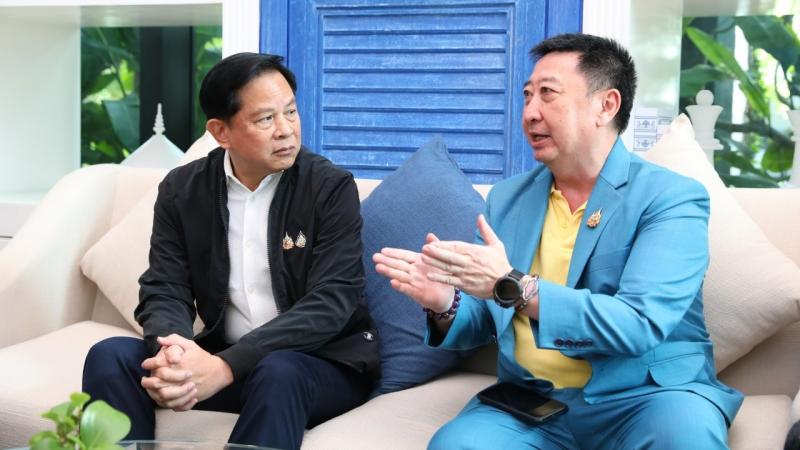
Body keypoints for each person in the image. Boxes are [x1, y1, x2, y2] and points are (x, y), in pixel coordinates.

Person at [373, 33, 743, 449]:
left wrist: (514, 286)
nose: (530, 112)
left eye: (548, 94)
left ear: (607, 105)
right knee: (456, 445)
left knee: (684, 439)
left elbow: (640, 323)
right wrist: (445, 302)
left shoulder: (670, 197)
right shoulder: (507, 199)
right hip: (533, 403)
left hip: (646, 399)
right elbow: (488, 314)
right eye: (527, 96)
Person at [82, 52, 379, 450]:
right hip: (226, 360)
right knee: (110, 356)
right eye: (266, 119)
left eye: (291, 112)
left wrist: (225, 365)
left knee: (279, 370)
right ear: (221, 132)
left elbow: (332, 302)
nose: (286, 130)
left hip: (321, 363)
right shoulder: (182, 190)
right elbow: (165, 287)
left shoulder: (329, 188)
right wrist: (175, 353)